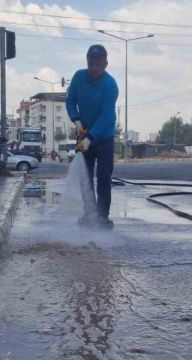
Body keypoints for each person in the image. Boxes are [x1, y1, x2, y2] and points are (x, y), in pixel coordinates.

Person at [65, 45, 119, 230]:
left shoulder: (110, 85)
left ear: (105, 63)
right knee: (85, 177)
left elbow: (107, 116)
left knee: (104, 177)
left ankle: (102, 217)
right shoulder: (79, 77)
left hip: (104, 137)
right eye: (90, 63)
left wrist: (91, 136)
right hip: (83, 133)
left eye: (98, 64)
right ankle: (89, 214)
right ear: (87, 61)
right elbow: (70, 100)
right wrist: (77, 121)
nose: (94, 68)